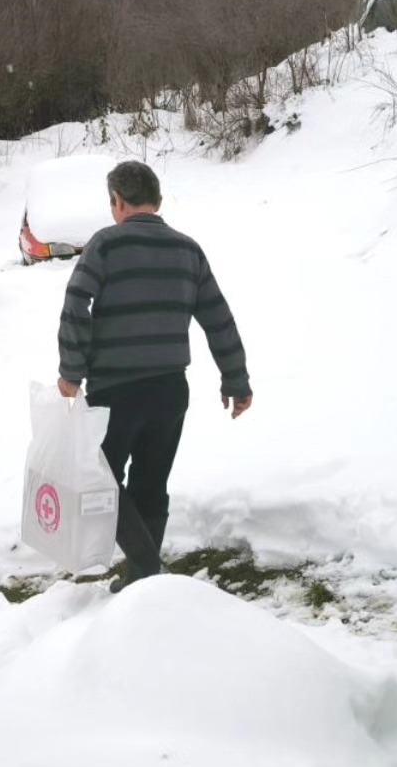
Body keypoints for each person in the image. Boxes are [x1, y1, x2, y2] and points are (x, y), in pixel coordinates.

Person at [56, 161, 252, 590]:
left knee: (99, 481)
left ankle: (147, 572)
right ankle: (144, 583)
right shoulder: (187, 250)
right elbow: (218, 317)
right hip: (169, 390)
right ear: (158, 202)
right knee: (151, 483)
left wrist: (71, 372)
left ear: (118, 202)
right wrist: (235, 379)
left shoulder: (105, 245)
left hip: (114, 390)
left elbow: (76, 306)